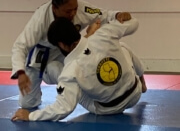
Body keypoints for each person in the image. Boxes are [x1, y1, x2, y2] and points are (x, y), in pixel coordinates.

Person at [11, 0, 132, 109]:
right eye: (68, 11)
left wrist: (118, 14)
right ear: (54, 8)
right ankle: (37, 93)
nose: (73, 13)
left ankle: (89, 98)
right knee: (27, 104)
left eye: (75, 9)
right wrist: (21, 72)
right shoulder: (40, 19)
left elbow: (103, 14)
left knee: (67, 70)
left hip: (65, 51)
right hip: (41, 56)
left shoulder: (79, 8)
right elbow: (20, 46)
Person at [12, 17, 147, 121]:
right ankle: (142, 81)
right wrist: (123, 16)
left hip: (107, 110)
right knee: (122, 47)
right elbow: (134, 23)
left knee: (54, 69)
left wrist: (30, 116)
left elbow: (64, 108)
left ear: (62, 45)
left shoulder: (70, 71)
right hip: (135, 95)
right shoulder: (105, 34)